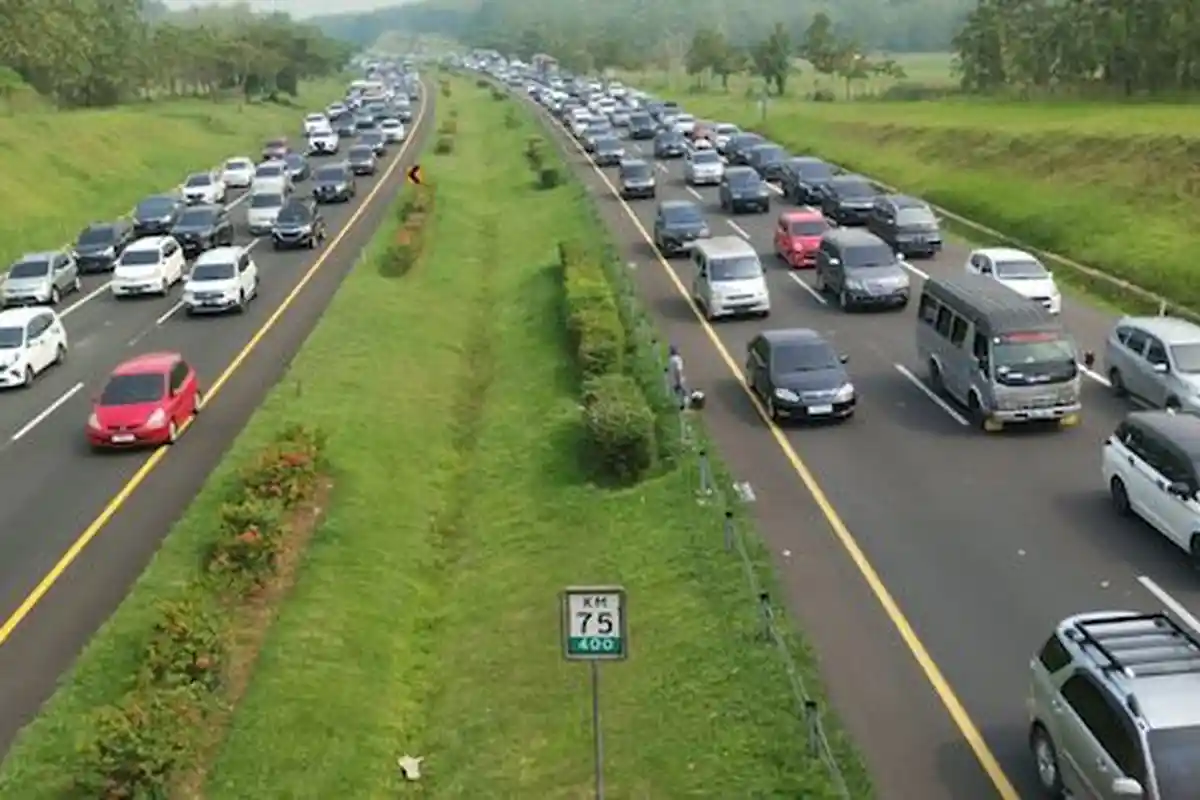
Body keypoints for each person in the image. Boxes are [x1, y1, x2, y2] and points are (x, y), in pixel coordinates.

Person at [668, 345, 688, 410]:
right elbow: (678, 371)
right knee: (684, 393)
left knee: (677, 393)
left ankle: (680, 405)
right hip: (677, 380)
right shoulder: (678, 360)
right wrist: (679, 381)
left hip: (672, 380)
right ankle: (684, 406)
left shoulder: (670, 359)